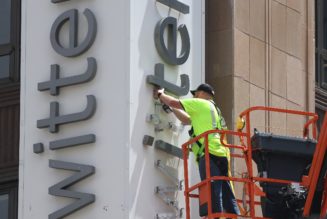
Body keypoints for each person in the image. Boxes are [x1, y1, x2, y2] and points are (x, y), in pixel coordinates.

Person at [153, 83, 240, 218]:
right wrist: (171, 108)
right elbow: (187, 119)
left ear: (202, 93)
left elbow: (175, 102)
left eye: (196, 94)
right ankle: (232, 215)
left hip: (209, 152)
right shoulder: (214, 109)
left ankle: (213, 216)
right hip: (220, 153)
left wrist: (160, 94)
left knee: (212, 188)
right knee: (224, 188)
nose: (195, 96)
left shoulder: (200, 103)